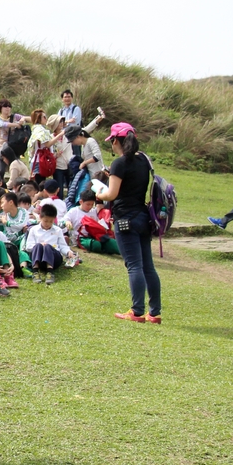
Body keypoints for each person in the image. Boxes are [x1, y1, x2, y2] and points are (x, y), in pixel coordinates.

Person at [93, 123, 162, 323]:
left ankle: (137, 311)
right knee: (148, 266)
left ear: (116, 141)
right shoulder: (144, 160)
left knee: (134, 266)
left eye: (112, 141)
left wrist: (99, 193)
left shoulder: (120, 164)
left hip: (125, 219)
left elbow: (112, 194)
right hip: (143, 217)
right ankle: (154, 312)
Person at [23, 203, 72, 284]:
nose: (48, 223)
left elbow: (62, 246)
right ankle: (35, 271)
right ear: (41, 218)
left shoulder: (57, 230)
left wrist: (68, 252)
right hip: (39, 259)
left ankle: (50, 271)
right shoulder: (34, 230)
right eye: (46, 221)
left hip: (54, 259)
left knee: (48, 247)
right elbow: (28, 246)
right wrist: (40, 245)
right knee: (38, 245)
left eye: (51, 221)